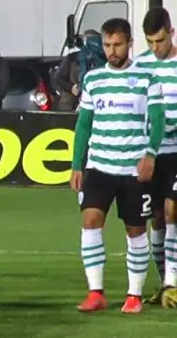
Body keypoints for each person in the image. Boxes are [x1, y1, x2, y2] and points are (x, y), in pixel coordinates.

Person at [68, 17, 164, 314]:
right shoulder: (93, 80)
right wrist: (76, 164)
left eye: (118, 45)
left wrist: (150, 154)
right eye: (107, 45)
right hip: (99, 166)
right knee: (90, 221)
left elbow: (158, 119)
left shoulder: (147, 78)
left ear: (129, 43)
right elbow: (84, 123)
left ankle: (134, 295)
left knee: (136, 230)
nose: (112, 51)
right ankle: (95, 292)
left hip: (133, 169)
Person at [139, 8, 177, 306]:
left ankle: (172, 282)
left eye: (160, 41)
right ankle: (164, 282)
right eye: (150, 41)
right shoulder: (140, 66)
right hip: (152, 154)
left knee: (171, 209)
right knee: (156, 218)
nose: (155, 47)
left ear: (171, 33)